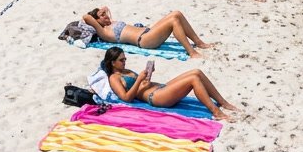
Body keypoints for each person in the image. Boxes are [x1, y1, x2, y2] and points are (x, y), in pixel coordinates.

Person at [101, 47, 238, 121]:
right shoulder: (114, 78)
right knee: (193, 80)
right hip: (155, 96)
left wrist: (147, 76)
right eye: (121, 60)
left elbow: (140, 85)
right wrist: (138, 80)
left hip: (160, 87)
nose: (125, 62)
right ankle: (216, 112)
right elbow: (126, 98)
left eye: (125, 59)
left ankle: (223, 102)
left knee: (197, 72)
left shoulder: (125, 70)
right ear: (113, 62)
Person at [83, 6, 212, 58]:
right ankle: (191, 52)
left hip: (148, 32)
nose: (106, 15)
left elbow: (105, 8)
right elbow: (86, 17)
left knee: (176, 13)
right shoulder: (104, 32)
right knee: (174, 22)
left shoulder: (111, 23)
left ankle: (199, 42)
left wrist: (102, 12)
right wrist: (95, 18)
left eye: (105, 14)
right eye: (102, 15)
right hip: (144, 40)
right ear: (96, 21)